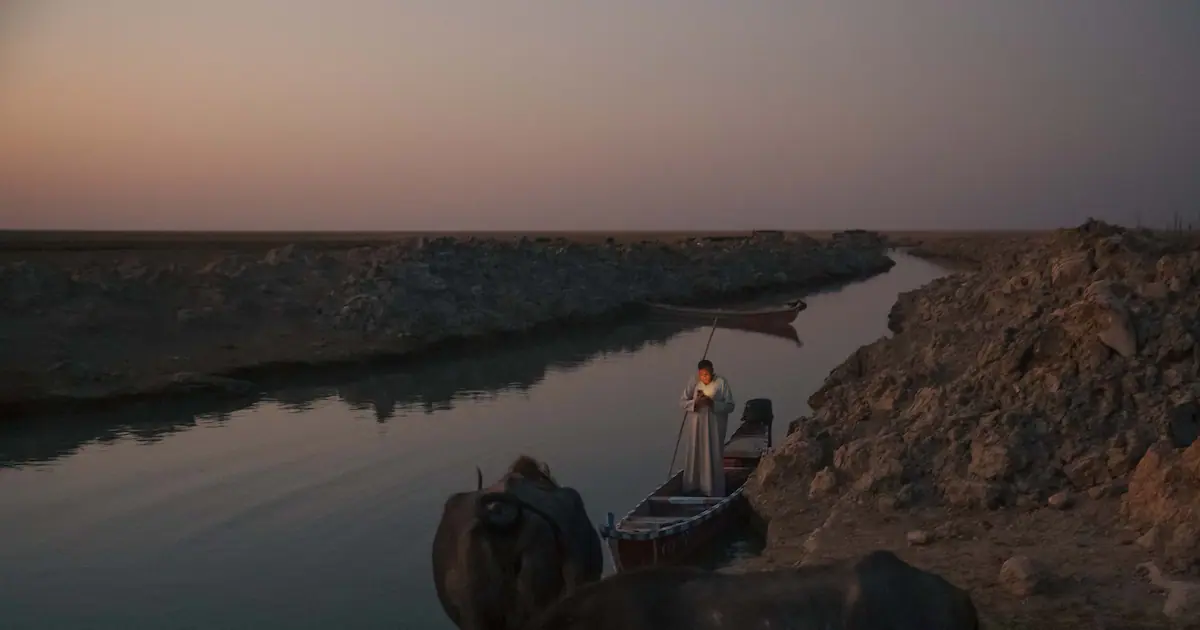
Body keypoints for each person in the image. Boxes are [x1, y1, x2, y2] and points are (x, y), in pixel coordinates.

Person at [678, 359, 736, 497]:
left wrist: (712, 403)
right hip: (696, 427)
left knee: (713, 455)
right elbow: (682, 402)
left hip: (714, 427)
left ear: (712, 372)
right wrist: (695, 402)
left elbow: (730, 406)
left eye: (708, 374)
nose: (705, 377)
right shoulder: (694, 382)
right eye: (703, 375)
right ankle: (693, 487)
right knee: (695, 454)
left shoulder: (721, 383)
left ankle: (713, 490)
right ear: (699, 374)